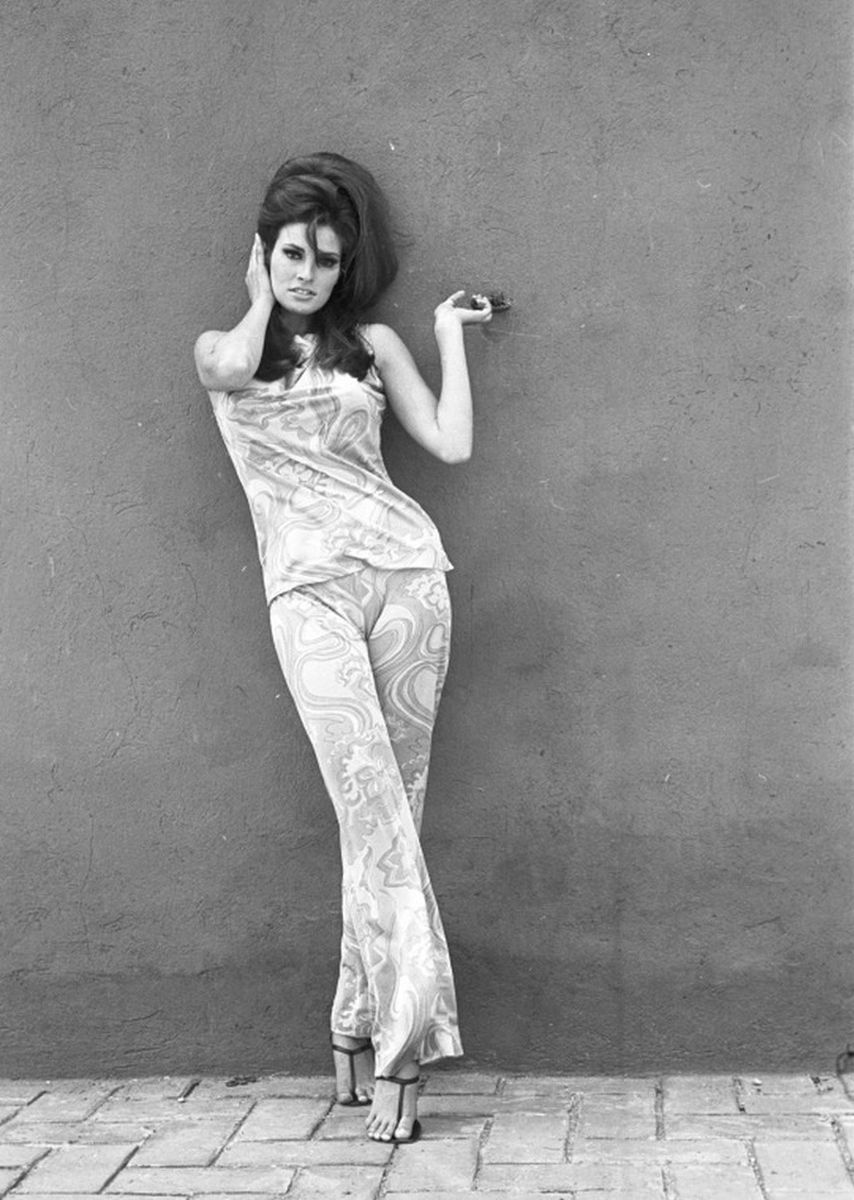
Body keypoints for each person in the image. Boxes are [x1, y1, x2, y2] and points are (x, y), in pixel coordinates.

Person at [194, 152, 493, 1144]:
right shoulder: (225, 350)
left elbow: (447, 443)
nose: (307, 274)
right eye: (291, 253)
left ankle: (354, 1023)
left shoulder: (370, 344)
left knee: (392, 817)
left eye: (325, 258)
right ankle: (406, 1047)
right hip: (308, 596)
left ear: (345, 264)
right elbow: (227, 370)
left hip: (407, 580)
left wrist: (444, 338)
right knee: (372, 813)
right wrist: (256, 298)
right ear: (263, 252)